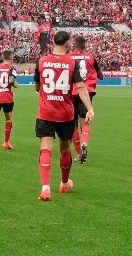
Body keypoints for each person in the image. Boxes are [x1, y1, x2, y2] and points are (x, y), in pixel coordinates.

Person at [34, 31, 95, 201]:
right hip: (65, 113)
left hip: (46, 111)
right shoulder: (71, 63)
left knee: (45, 148)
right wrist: (90, 108)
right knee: (65, 149)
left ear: (53, 42)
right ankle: (63, 183)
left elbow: (37, 87)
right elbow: (81, 88)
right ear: (68, 43)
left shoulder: (42, 61)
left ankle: (45, 188)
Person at [69, 36, 103, 163]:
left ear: (74, 45)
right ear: (84, 46)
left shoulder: (69, 57)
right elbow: (101, 75)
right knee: (85, 123)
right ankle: (84, 143)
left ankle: (78, 153)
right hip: (87, 92)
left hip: (72, 92)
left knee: (73, 125)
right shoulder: (91, 57)